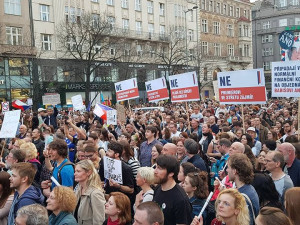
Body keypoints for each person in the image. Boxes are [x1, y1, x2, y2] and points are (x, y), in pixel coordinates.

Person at [153, 155, 193, 225]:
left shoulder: (180, 199)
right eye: (156, 167)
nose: (155, 171)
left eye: (159, 168)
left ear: (171, 173)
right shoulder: (158, 188)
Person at [227, 153, 259, 225]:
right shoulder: (249, 188)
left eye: (228, 167)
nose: (227, 170)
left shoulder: (242, 197)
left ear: (234, 171)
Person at [74, 159, 106, 225]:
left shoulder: (95, 193)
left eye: (78, 171)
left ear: (88, 172)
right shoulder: (78, 189)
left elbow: (99, 220)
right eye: (75, 171)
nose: (75, 174)